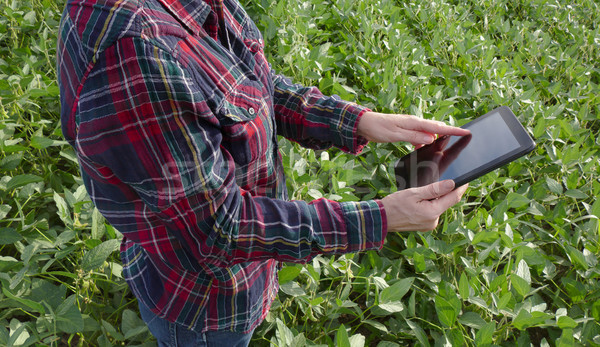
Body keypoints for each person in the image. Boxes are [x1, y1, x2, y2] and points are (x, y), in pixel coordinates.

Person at [57, 0, 469, 345]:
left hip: (238, 268)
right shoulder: (138, 55)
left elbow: (247, 84)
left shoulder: (190, 10)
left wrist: (356, 121)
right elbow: (217, 229)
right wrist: (380, 217)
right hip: (204, 299)